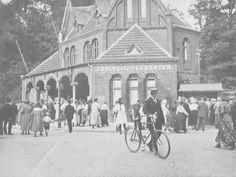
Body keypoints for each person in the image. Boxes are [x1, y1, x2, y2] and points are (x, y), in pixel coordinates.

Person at [143, 89, 165, 154]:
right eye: (155, 94)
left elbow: (161, 111)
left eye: (156, 94)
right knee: (154, 134)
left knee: (160, 132)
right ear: (152, 94)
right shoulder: (148, 101)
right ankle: (156, 150)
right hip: (151, 120)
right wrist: (149, 114)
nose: (156, 95)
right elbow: (144, 109)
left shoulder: (157, 101)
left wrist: (163, 121)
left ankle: (150, 144)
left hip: (158, 120)